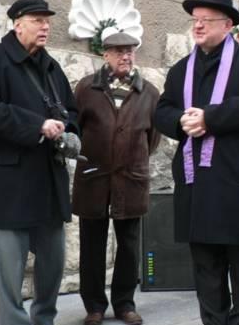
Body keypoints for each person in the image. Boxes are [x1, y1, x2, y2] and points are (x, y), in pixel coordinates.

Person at [154, 0, 239, 325]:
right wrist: (180, 121)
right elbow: (162, 110)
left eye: (206, 20)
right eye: (195, 19)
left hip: (236, 186)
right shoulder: (181, 69)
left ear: (227, 25)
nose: (198, 25)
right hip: (196, 188)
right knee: (207, 273)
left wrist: (210, 118)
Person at [0, 0, 79, 325]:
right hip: (6, 189)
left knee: (53, 264)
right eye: (38, 20)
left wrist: (71, 133)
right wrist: (36, 125)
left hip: (47, 187)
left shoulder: (51, 67)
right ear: (17, 24)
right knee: (10, 278)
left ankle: (44, 320)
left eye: (47, 21)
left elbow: (71, 110)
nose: (45, 26)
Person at [72, 28, 161, 325]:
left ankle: (124, 304)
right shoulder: (86, 88)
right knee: (91, 245)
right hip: (94, 177)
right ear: (105, 54)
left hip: (131, 177)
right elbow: (75, 127)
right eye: (119, 51)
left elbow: (153, 138)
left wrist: (129, 157)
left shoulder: (149, 92)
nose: (126, 56)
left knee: (129, 246)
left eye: (130, 51)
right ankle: (94, 306)